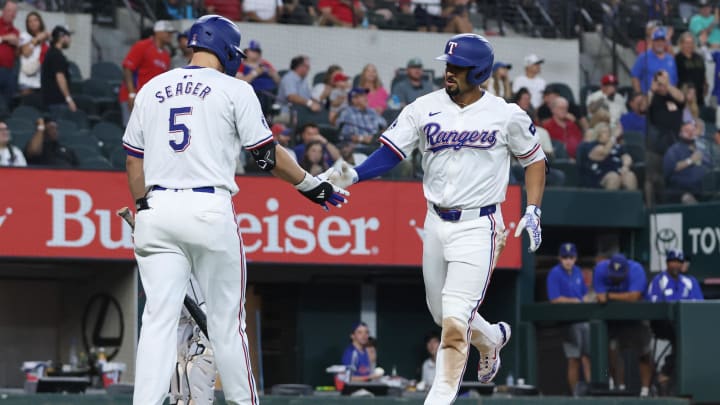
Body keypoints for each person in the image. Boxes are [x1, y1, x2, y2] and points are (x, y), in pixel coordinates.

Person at [121, 15, 348, 405]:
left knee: (157, 321)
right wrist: (309, 184)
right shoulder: (234, 89)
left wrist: (143, 207)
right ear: (226, 48)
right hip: (208, 207)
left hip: (156, 208)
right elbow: (266, 156)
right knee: (227, 326)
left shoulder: (152, 87)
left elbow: (132, 162)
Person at [326, 34, 546, 405]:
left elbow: (535, 159)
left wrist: (533, 208)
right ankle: (491, 338)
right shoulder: (423, 107)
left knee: (456, 323)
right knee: (440, 312)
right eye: (448, 65)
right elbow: (391, 152)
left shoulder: (506, 114)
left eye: (457, 67)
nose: (449, 72)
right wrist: (356, 175)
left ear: (478, 72)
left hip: (481, 224)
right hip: (435, 221)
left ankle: (439, 399)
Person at [593, 253, 653, 397]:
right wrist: (613, 297)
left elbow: (634, 296)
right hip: (613, 316)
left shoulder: (636, 269)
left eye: (619, 276)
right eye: (614, 276)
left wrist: (610, 296)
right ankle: (618, 386)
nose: (616, 279)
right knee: (611, 352)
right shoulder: (601, 270)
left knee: (644, 352)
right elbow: (600, 298)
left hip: (637, 315)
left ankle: (645, 391)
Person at [646, 250, 704, 393]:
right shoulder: (659, 280)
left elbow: (699, 304)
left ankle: (668, 375)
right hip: (662, 324)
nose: (676, 265)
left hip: (687, 325)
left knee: (691, 337)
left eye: (679, 262)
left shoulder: (690, 281)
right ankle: (665, 374)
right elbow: (652, 304)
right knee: (683, 336)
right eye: (673, 262)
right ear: (667, 263)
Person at [546, 243, 592, 395]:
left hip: (583, 319)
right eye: (565, 257)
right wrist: (576, 301)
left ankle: (591, 392)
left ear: (575, 258)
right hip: (568, 322)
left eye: (571, 257)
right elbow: (554, 299)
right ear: (560, 258)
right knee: (574, 359)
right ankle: (575, 395)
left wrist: (587, 299)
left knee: (587, 357)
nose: (568, 260)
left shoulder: (578, 271)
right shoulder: (555, 273)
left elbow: (584, 294)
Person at [119, 20, 175, 126]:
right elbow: (128, 68)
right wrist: (131, 94)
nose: (170, 35)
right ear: (158, 32)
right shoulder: (143, 46)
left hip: (151, 100)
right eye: (167, 32)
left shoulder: (166, 54)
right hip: (135, 96)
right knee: (132, 132)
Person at [663, 119, 711, 204]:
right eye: (686, 131)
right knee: (687, 199)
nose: (690, 133)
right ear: (680, 133)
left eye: (692, 130)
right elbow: (671, 168)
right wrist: (691, 160)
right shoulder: (674, 149)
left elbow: (710, 165)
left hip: (705, 188)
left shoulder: (702, 148)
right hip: (682, 190)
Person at [586, 123, 637, 190]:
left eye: (609, 132)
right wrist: (614, 137)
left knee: (630, 175)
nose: (608, 134)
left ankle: (632, 200)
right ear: (597, 134)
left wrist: (625, 166)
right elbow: (604, 152)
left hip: (619, 171)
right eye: (604, 132)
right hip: (601, 176)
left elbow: (626, 157)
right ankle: (610, 200)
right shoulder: (593, 145)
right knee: (614, 177)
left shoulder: (616, 146)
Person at [631, 27, 678, 94]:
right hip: (649, 97)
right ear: (652, 42)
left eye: (662, 41)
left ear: (665, 42)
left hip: (668, 97)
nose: (660, 43)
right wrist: (639, 94)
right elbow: (635, 78)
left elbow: (675, 81)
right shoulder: (644, 57)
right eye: (657, 40)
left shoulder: (670, 59)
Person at [40, 25, 76, 113]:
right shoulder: (57, 56)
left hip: (51, 101)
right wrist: (69, 99)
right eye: (68, 36)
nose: (70, 40)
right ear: (61, 38)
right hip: (57, 102)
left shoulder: (51, 52)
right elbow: (60, 77)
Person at [277, 55, 321, 123]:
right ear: (299, 66)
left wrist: (316, 102)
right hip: (286, 112)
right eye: (307, 67)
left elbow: (307, 97)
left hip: (301, 111)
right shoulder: (289, 78)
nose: (309, 69)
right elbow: (292, 97)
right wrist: (310, 103)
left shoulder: (303, 80)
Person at [335, 322, 380, 389]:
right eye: (360, 332)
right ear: (352, 336)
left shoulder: (366, 351)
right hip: (352, 391)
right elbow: (347, 378)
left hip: (364, 388)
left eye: (366, 332)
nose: (364, 335)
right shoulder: (351, 353)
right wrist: (370, 377)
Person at [18, 11, 49, 96]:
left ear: (40, 22)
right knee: (27, 105)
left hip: (42, 80)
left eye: (35, 20)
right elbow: (26, 52)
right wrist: (37, 39)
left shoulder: (46, 39)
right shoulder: (24, 36)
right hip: (27, 81)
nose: (33, 23)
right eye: (30, 21)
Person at [675, 32, 707, 108]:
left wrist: (705, 85)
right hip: (685, 96)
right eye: (687, 43)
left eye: (691, 43)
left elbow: (703, 74)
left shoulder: (699, 57)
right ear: (681, 44)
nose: (689, 45)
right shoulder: (677, 59)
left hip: (699, 96)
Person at [0, 0, 19, 109]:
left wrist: (17, 46)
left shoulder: (16, 32)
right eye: (10, 11)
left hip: (9, 72)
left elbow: (16, 55)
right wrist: (5, 38)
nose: (12, 14)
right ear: (3, 11)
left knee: (6, 104)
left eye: (14, 12)